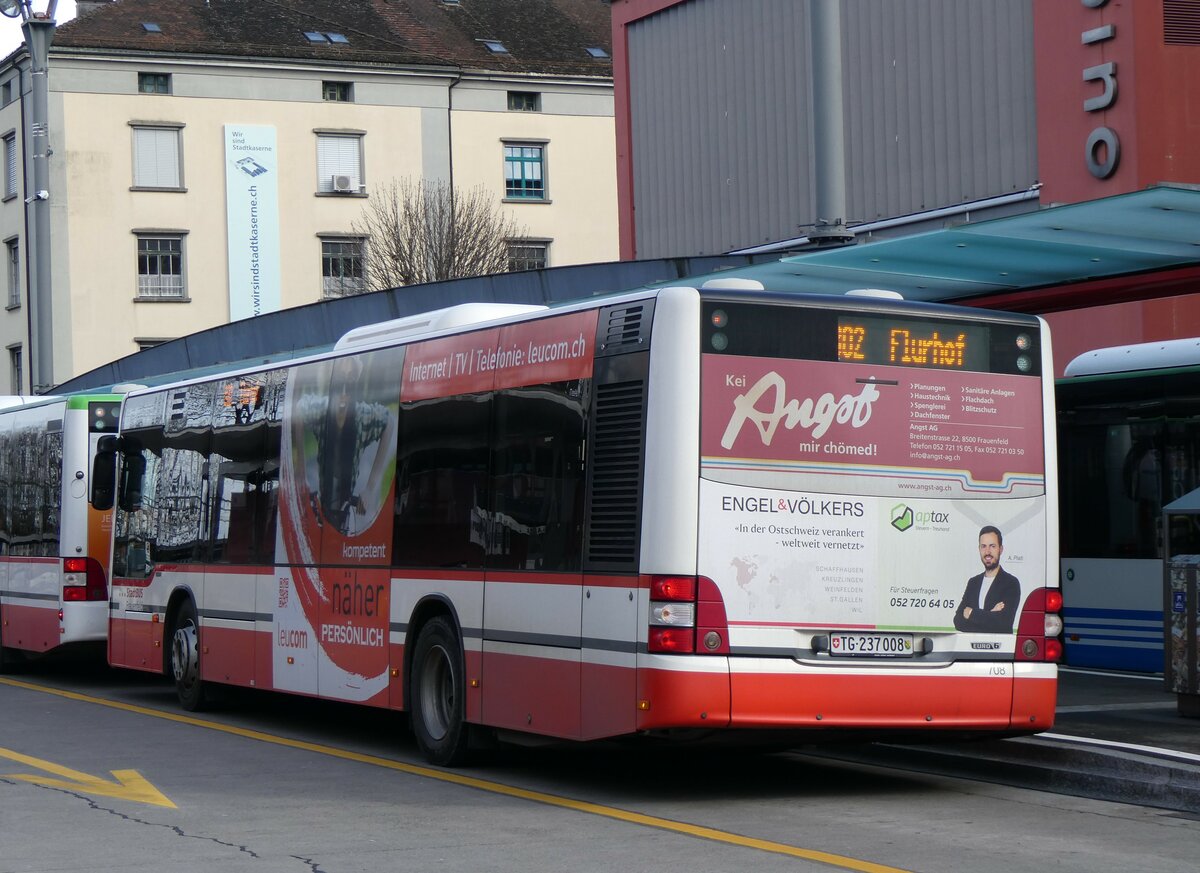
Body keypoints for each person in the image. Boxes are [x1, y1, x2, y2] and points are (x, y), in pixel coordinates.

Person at [953, 525, 1020, 633]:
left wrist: (971, 613)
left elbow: (1003, 623)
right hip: (971, 648)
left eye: (992, 546)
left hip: (999, 648)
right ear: (979, 549)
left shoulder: (1011, 583)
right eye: (983, 546)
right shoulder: (973, 583)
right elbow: (958, 621)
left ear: (1000, 549)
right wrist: (990, 613)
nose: (987, 552)